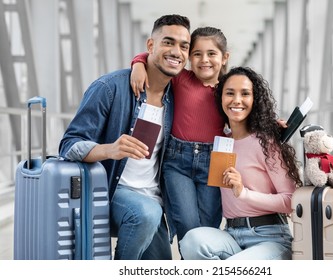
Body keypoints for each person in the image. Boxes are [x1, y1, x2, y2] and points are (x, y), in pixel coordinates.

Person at [58, 14, 191, 260]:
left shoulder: (179, 95)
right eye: (168, 42)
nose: (176, 51)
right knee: (146, 214)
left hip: (153, 199)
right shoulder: (109, 88)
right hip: (113, 191)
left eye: (184, 46)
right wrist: (110, 150)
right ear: (151, 46)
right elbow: (69, 145)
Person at [179, 66, 303, 260]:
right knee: (191, 241)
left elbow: (290, 201)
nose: (237, 100)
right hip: (231, 235)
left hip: (270, 237)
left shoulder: (266, 142)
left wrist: (244, 193)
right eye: (229, 93)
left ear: (255, 100)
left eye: (245, 94)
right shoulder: (220, 141)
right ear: (220, 99)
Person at [130, 27, 230, 244]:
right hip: (178, 162)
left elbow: (249, 109)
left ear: (224, 58)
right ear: (188, 58)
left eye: (211, 54)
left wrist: (271, 124)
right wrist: (138, 64)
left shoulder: (228, 88)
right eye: (197, 54)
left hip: (215, 160)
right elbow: (151, 59)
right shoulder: (181, 78)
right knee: (187, 222)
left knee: (209, 223)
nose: (204, 60)